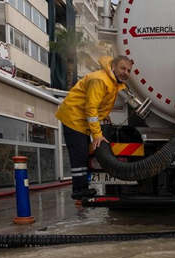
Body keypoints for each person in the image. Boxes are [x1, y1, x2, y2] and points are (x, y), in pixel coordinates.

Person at [55, 55, 132, 199]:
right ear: (113, 67)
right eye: (123, 68)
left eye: (128, 70)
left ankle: (81, 187)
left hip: (80, 119)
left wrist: (104, 116)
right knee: (80, 154)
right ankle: (79, 189)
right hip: (74, 118)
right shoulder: (100, 80)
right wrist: (97, 134)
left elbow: (99, 104)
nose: (126, 72)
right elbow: (91, 109)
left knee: (82, 153)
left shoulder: (112, 81)